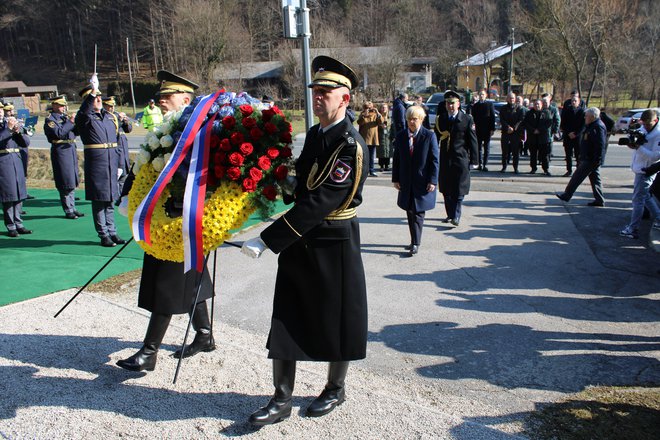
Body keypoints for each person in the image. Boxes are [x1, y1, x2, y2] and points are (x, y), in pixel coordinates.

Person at [240, 56, 368, 425]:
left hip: (333, 240)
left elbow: (321, 200)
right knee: (288, 315)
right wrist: (271, 177)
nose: (318, 98)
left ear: (345, 98)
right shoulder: (315, 134)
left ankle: (334, 388)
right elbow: (302, 185)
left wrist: (268, 239)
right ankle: (281, 400)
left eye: (326, 93)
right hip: (302, 239)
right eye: (315, 92)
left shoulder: (349, 144)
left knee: (337, 318)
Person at [116, 70, 216, 372]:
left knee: (167, 282)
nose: (160, 101)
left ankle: (149, 351)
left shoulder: (200, 131)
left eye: (167, 96)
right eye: (160, 96)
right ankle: (205, 334)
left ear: (185, 99)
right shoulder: (165, 129)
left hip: (182, 218)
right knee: (191, 275)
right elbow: (142, 166)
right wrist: (128, 196)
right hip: (163, 216)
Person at [75, 78, 125, 248]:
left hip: (111, 161)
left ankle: (112, 231)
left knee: (110, 199)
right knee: (99, 201)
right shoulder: (85, 118)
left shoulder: (109, 118)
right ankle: (103, 234)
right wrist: (93, 92)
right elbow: (83, 113)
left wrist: (119, 164)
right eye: (94, 97)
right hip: (97, 164)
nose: (98, 99)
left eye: (99, 97)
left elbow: (116, 142)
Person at [392, 105, 439, 255]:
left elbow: (434, 160)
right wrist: (396, 179)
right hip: (406, 181)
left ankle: (415, 243)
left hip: (422, 181)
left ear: (422, 119)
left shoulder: (429, 136)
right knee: (409, 210)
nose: (412, 122)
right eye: (409, 119)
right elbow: (397, 159)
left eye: (415, 119)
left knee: (418, 212)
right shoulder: (401, 136)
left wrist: (433, 180)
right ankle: (414, 240)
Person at [434, 90, 478, 226]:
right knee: (446, 188)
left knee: (459, 188)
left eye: (453, 103)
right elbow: (435, 138)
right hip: (445, 158)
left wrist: (474, 160)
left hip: (461, 158)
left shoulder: (466, 119)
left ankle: (456, 216)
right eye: (448, 103)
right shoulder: (440, 119)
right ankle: (450, 214)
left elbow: (472, 141)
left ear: (458, 104)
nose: (450, 106)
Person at [619, 108, 660, 239]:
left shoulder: (658, 133)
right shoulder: (644, 127)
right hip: (640, 168)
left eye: (648, 125)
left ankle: (633, 228)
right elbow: (637, 137)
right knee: (646, 196)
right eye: (644, 124)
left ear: (656, 120)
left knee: (638, 200)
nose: (646, 127)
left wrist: (638, 147)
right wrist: (633, 141)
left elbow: (655, 157)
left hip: (647, 170)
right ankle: (659, 218)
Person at [555, 107, 607, 206]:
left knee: (577, 177)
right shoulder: (591, 125)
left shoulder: (597, 126)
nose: (584, 117)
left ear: (592, 117)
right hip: (590, 158)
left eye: (586, 116)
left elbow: (600, 145)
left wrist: (598, 159)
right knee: (595, 179)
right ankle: (599, 200)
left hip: (591, 159)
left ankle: (567, 195)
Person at [44, 95, 84, 219]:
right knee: (64, 181)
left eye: (64, 105)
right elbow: (60, 133)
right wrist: (70, 122)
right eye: (61, 105)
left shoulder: (64, 118)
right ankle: (68, 209)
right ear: (54, 105)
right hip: (60, 151)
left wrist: (77, 123)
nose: (64, 108)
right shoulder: (50, 120)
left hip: (70, 149)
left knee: (72, 179)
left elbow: (75, 132)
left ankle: (73, 207)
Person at [0, 109, 32, 237]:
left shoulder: (11, 123)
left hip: (16, 160)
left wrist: (18, 132)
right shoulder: (6, 126)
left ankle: (19, 224)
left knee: (19, 193)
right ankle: (11, 226)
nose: (1, 112)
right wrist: (8, 129)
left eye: (1, 110)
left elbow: (25, 143)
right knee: (8, 195)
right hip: (3, 161)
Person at [102, 96, 133, 199]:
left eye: (113, 106)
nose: (112, 108)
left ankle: (121, 195)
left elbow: (128, 130)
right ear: (104, 105)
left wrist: (126, 121)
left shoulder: (115, 115)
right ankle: (115, 195)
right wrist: (119, 120)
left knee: (124, 172)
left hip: (123, 148)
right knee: (117, 173)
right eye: (110, 106)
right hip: (115, 148)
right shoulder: (104, 117)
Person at [523, 99, 553, 175]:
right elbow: (526, 123)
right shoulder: (529, 113)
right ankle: (533, 168)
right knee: (533, 154)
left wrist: (539, 130)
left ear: (541, 105)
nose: (537, 105)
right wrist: (533, 130)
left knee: (544, 155)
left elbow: (549, 123)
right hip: (532, 137)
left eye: (538, 104)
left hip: (543, 137)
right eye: (535, 104)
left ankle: (546, 169)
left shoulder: (547, 112)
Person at [498, 92, 525, 173]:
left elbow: (521, 120)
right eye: (510, 98)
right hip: (506, 132)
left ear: (515, 99)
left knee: (516, 152)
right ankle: (504, 167)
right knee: (505, 152)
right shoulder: (503, 108)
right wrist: (508, 127)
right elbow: (502, 119)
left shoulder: (520, 109)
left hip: (516, 134)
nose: (511, 99)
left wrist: (514, 128)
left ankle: (515, 168)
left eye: (513, 98)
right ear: (507, 99)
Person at [560, 94, 585, 176]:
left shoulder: (582, 112)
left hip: (577, 136)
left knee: (578, 154)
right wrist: (568, 132)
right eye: (572, 101)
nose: (573, 102)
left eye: (575, 101)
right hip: (568, 136)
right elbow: (563, 123)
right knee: (568, 154)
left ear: (579, 102)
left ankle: (578, 170)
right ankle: (569, 170)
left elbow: (583, 125)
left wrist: (576, 133)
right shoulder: (567, 111)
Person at [470, 89, 495, 171]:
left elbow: (492, 117)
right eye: (480, 94)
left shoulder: (489, 104)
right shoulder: (475, 106)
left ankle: (485, 164)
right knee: (478, 148)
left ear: (486, 95)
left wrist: (492, 129)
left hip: (487, 129)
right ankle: (479, 164)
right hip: (478, 130)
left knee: (486, 148)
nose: (481, 96)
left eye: (483, 94)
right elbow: (473, 118)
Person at [357, 101, 382, 177]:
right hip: (364, 138)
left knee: (371, 156)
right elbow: (359, 122)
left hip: (373, 138)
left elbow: (380, 122)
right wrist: (364, 115)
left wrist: (377, 112)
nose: (369, 109)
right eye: (367, 108)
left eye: (370, 108)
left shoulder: (375, 114)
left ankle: (371, 170)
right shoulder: (362, 114)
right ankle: (364, 171)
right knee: (364, 156)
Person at [376, 103, 392, 171]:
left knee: (388, 150)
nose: (384, 109)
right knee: (381, 150)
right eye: (383, 107)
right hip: (381, 135)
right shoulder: (378, 116)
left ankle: (387, 165)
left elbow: (390, 124)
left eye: (385, 107)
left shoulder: (389, 116)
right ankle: (381, 165)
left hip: (388, 135)